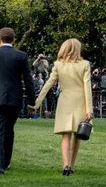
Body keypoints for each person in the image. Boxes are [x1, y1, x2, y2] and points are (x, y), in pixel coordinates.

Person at [31, 38, 93, 176]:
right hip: (80, 100)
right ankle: (71, 164)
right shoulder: (84, 64)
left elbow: (48, 84)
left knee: (66, 135)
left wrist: (37, 103)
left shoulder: (58, 64)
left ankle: (65, 165)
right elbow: (87, 88)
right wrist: (89, 110)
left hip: (65, 101)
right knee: (78, 135)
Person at [0, 27, 35, 175]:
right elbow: (28, 80)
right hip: (14, 99)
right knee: (9, 131)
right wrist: (31, 101)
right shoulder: (21, 56)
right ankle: (6, 161)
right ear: (13, 39)